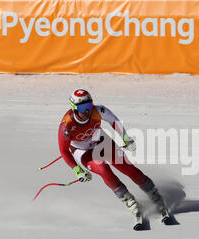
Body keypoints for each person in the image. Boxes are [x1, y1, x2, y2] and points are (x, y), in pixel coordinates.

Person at [58, 89, 170, 229]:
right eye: (82, 108)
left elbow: (114, 121)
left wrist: (125, 138)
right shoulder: (66, 125)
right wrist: (77, 169)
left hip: (100, 141)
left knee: (126, 167)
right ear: (74, 109)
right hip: (83, 151)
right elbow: (63, 150)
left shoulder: (98, 111)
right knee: (104, 169)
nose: (87, 111)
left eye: (89, 106)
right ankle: (129, 201)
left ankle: (153, 193)